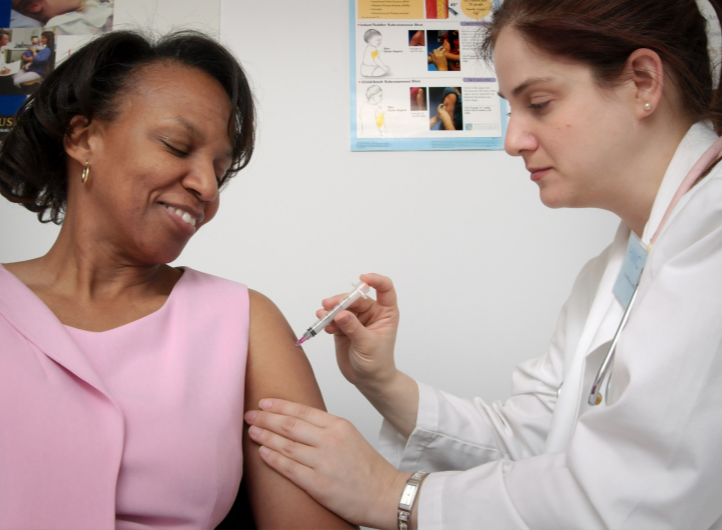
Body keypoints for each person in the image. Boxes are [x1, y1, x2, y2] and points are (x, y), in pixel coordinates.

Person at [244, 0, 722, 528]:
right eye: (510, 108)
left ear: (643, 83)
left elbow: (631, 500)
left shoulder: (712, 237)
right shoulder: (615, 266)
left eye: (539, 102)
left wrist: (392, 495)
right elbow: (533, 437)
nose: (512, 140)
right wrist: (381, 381)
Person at [0, 30, 355, 529]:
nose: (207, 187)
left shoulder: (247, 323)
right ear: (83, 139)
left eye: (220, 168)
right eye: (177, 145)